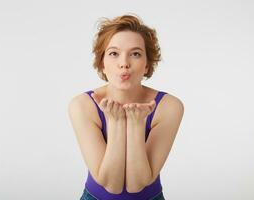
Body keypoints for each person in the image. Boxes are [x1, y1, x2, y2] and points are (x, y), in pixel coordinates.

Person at [68, 14, 184, 200]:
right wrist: (116, 122)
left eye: (135, 54)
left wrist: (136, 124)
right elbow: (111, 185)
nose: (124, 64)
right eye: (114, 53)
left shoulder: (169, 106)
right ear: (102, 63)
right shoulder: (82, 105)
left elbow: (137, 184)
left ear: (147, 65)